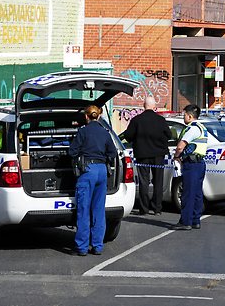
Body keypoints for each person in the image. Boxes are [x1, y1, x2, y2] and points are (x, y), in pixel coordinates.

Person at [68, 105, 117, 256]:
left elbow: (72, 152)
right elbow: (113, 153)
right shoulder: (105, 132)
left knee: (83, 210)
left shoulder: (82, 132)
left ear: (86, 117)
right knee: (98, 210)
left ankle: (82, 247)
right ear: (99, 116)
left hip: (87, 171)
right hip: (102, 171)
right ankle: (97, 246)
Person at [121, 96, 171, 216]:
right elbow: (169, 135)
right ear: (154, 107)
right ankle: (157, 208)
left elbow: (128, 136)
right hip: (158, 155)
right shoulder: (161, 120)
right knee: (158, 181)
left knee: (144, 181)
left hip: (142, 154)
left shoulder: (137, 120)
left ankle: (144, 208)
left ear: (144, 106)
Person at [171, 104, 208, 231]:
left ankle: (185, 221)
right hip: (200, 163)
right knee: (197, 193)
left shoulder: (192, 129)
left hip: (191, 164)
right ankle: (195, 220)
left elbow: (180, 146)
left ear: (190, 116)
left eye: (185, 114)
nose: (183, 117)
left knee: (187, 193)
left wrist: (176, 156)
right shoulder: (202, 127)